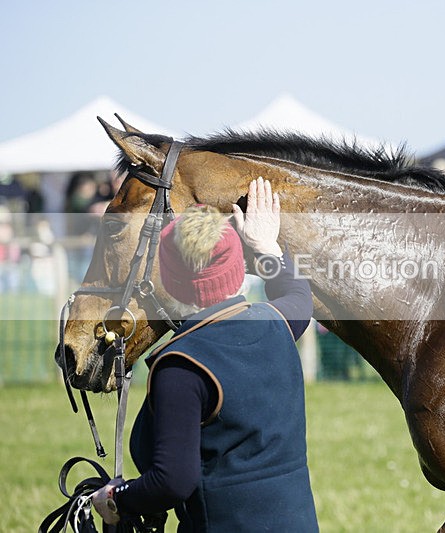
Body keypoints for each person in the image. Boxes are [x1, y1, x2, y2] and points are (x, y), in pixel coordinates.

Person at [92, 177, 318, 532]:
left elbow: (172, 481)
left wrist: (117, 499)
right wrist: (265, 245)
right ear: (235, 268)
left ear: (170, 280)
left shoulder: (180, 365)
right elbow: (298, 296)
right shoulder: (276, 323)